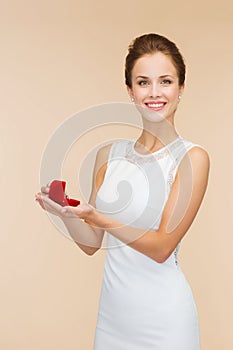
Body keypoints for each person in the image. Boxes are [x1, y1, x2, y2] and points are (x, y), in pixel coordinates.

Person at [36, 33, 210, 350]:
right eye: (143, 82)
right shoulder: (109, 154)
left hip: (166, 322)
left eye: (165, 81)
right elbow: (92, 243)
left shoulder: (191, 159)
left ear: (181, 88)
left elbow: (161, 248)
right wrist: (65, 214)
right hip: (113, 321)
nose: (154, 92)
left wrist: (98, 217)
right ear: (130, 90)